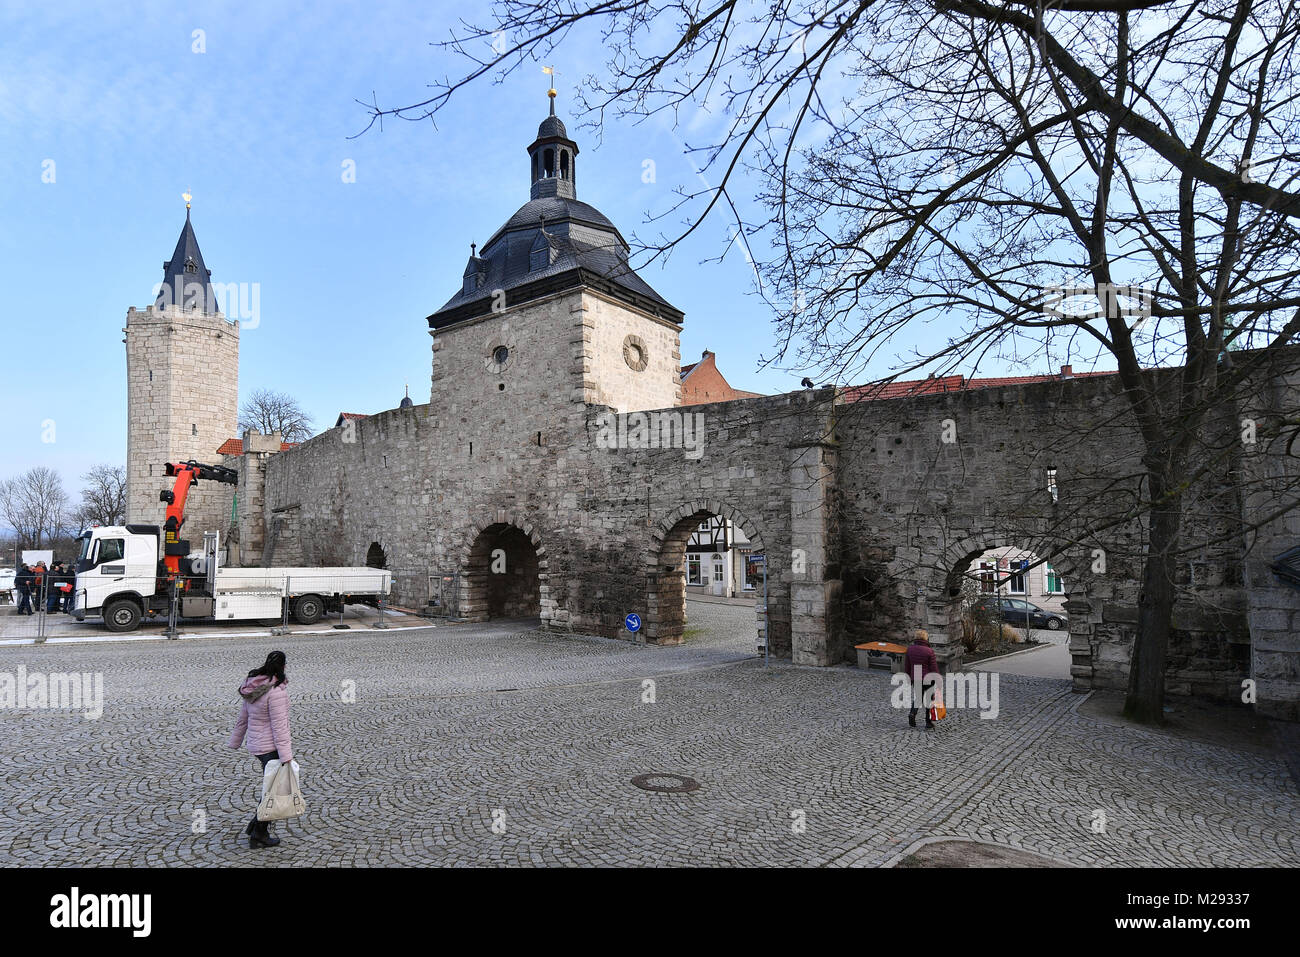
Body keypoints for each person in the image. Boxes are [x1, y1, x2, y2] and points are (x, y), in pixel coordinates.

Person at [227, 651, 294, 849]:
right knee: (272, 793)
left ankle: (255, 827)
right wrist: (286, 757)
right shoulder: (275, 693)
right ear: (283, 667)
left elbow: (243, 718)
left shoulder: (254, 685)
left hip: (256, 746)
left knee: (270, 789)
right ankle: (259, 834)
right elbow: (279, 727)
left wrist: (235, 741)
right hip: (270, 748)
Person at [904, 629, 940, 730]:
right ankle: (928, 722)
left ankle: (912, 713)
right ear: (925, 638)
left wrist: (909, 677)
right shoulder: (929, 651)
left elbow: (907, 665)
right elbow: (933, 667)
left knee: (919, 697)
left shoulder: (910, 649)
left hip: (916, 676)